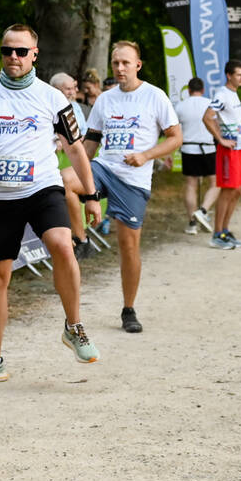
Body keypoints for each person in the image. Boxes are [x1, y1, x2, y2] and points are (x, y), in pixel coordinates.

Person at [0, 24, 101, 382]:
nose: (13, 57)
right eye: (7, 50)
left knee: (62, 244)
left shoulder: (52, 97)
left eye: (21, 51)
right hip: (0, 197)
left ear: (34, 54)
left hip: (43, 188)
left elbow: (76, 149)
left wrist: (91, 195)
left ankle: (74, 326)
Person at [76, 40, 183, 332]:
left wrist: (146, 156)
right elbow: (90, 143)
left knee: (128, 246)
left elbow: (175, 138)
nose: (120, 68)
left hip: (133, 179)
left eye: (125, 63)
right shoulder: (105, 100)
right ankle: (81, 240)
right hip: (104, 166)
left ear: (138, 65)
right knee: (64, 180)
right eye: (115, 63)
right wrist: (84, 178)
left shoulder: (155, 96)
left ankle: (129, 309)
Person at [206, 60, 241, 249]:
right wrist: (220, 139)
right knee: (228, 190)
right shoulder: (222, 94)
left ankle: (225, 230)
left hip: (240, 148)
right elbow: (207, 117)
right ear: (229, 75)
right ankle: (217, 234)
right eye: (239, 74)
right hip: (228, 150)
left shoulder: (233, 93)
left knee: (237, 190)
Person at [176, 77, 219, 234]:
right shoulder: (210, 103)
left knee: (191, 185)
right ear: (203, 90)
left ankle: (192, 224)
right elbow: (216, 125)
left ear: (188, 90)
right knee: (215, 183)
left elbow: (175, 130)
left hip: (188, 148)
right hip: (208, 148)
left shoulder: (180, 106)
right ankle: (203, 210)